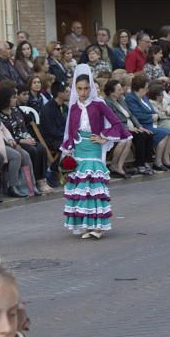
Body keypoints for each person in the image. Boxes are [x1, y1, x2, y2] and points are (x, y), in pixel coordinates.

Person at [61, 65, 130, 239]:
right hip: (79, 149)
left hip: (93, 148)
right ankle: (86, 225)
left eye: (86, 88)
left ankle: (98, 226)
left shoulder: (98, 104)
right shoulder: (74, 108)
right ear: (75, 89)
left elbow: (117, 124)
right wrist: (68, 149)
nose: (83, 92)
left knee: (94, 187)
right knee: (81, 189)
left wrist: (104, 137)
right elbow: (70, 131)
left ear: (91, 88)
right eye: (79, 89)